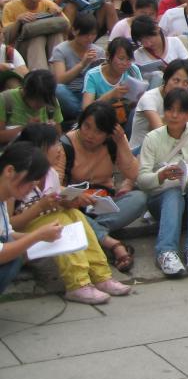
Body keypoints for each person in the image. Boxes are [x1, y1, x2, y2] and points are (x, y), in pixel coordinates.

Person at [10, 125, 131, 303]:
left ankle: (101, 276)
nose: (59, 148)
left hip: (48, 221)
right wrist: (40, 207)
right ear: (39, 149)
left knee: (76, 216)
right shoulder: (15, 179)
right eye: (54, 144)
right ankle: (78, 283)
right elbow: (9, 225)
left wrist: (68, 202)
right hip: (24, 233)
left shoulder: (50, 173)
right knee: (61, 221)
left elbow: (55, 202)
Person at [55, 101, 146, 273]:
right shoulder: (65, 144)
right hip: (75, 205)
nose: (90, 135)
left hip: (103, 204)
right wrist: (76, 196)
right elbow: (53, 187)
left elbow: (134, 174)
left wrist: (121, 142)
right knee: (65, 212)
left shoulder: (113, 142)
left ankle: (92, 231)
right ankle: (112, 244)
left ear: (108, 133)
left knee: (140, 198)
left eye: (98, 131)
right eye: (86, 127)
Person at [138, 89, 188, 276]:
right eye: (170, 110)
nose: (174, 115)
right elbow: (142, 179)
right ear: (163, 112)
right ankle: (166, 251)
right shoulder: (152, 138)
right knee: (173, 194)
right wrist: (161, 175)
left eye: (180, 111)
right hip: (161, 200)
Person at [0, 142, 64, 295]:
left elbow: (7, 234)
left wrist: (46, 237)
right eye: (30, 179)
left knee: (17, 253)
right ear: (9, 171)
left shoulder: (3, 200)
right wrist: (37, 236)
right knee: (15, 256)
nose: (33, 186)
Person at [2, 0, 68, 70]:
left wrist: (59, 14)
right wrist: (18, 21)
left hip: (48, 46)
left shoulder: (48, 4)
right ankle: (40, 74)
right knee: (37, 37)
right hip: (20, 49)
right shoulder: (10, 7)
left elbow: (67, 27)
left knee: (56, 34)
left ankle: (58, 72)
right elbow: (5, 38)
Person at [130, 59, 188, 154]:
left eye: (186, 83)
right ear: (166, 79)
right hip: (141, 152)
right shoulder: (149, 98)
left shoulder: (185, 101)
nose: (180, 86)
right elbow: (160, 132)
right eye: (176, 80)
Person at [50, 13, 102, 124]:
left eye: (93, 34)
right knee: (58, 89)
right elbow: (60, 80)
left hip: (90, 94)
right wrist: (82, 64)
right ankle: (85, 114)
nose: (90, 38)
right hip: (70, 93)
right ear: (74, 31)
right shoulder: (60, 50)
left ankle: (85, 113)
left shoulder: (98, 51)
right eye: (85, 34)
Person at [81, 37, 143, 117]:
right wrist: (111, 95)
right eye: (121, 58)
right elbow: (86, 109)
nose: (125, 63)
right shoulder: (93, 75)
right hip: (103, 117)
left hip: (127, 114)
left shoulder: (133, 70)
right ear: (108, 56)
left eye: (129, 59)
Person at [0, 70, 63, 145]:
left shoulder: (51, 103)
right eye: (36, 99)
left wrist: (51, 129)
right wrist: (26, 129)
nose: (40, 105)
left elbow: (59, 135)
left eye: (43, 101)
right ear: (25, 90)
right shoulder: (5, 100)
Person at [132, 15, 188, 85]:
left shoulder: (174, 42)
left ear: (157, 29)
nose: (148, 44)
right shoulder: (138, 54)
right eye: (142, 41)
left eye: (149, 38)